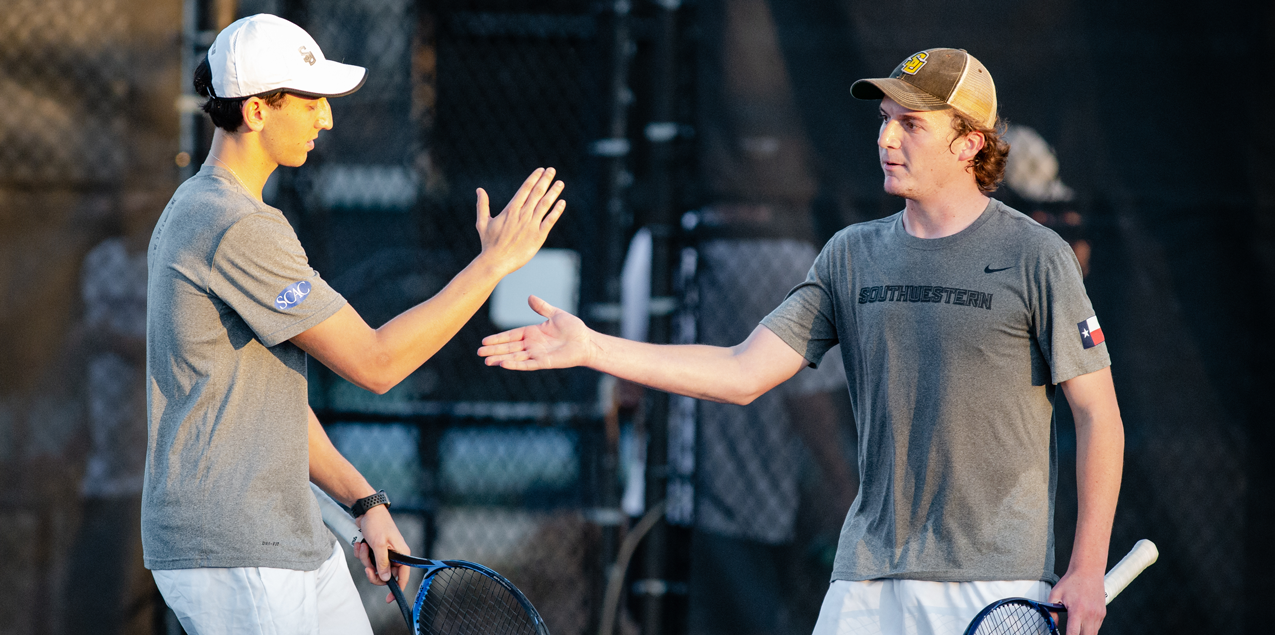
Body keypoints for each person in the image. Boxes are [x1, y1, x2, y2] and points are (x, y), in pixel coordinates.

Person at [478, 48, 1123, 635]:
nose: (887, 137)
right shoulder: (851, 256)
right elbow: (742, 371)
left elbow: (1099, 416)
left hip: (994, 585)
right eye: (886, 119)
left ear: (968, 145)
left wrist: (1086, 570)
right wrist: (592, 347)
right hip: (865, 579)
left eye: (912, 124)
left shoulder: (1037, 258)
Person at [144, 14, 565, 634]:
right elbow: (377, 363)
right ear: (257, 111)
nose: (328, 118)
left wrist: (364, 501)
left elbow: (263, 401)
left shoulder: (209, 209)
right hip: (235, 547)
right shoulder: (233, 225)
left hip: (290, 539)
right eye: (311, 101)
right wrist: (494, 264)